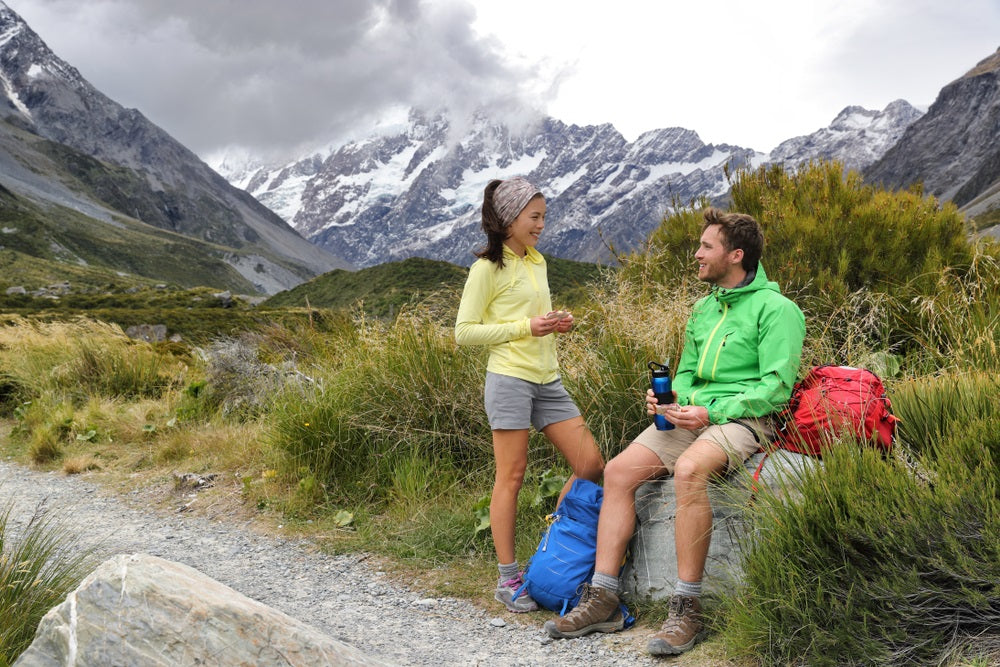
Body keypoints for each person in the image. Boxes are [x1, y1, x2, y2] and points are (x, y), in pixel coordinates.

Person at [544, 207, 805, 655]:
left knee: (689, 471)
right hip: (691, 416)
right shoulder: (705, 307)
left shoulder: (778, 310)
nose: (697, 254)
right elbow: (685, 371)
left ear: (736, 255)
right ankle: (604, 597)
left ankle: (687, 609)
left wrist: (711, 412)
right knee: (619, 472)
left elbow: (777, 387)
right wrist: (670, 400)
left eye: (707, 246)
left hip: (746, 419)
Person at [455, 176, 605, 614]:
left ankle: (549, 552)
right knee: (512, 476)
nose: (541, 225)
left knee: (590, 463)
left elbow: (532, 316)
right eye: (534, 217)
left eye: (543, 217)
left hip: (548, 380)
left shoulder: (537, 261)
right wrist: (526, 327)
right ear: (509, 218)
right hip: (509, 380)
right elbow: (464, 332)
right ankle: (508, 579)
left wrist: (557, 321)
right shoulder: (486, 268)